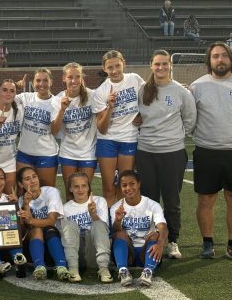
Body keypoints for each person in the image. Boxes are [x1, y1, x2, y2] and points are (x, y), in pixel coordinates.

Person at [136, 50, 196, 260]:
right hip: (146, 152)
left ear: (170, 66)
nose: (160, 68)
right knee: (150, 199)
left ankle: (172, 241)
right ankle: (152, 238)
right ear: (151, 66)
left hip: (172, 153)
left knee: (171, 200)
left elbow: (190, 120)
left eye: (164, 64)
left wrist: (173, 137)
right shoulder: (143, 89)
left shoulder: (181, 92)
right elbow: (136, 117)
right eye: (157, 64)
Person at [189, 42, 232, 259]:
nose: (220, 59)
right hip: (206, 151)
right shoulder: (197, 87)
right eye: (215, 56)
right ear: (209, 61)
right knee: (205, 200)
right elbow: (189, 120)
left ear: (231, 59)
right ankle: (207, 243)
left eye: (224, 56)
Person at [92, 50, 145, 206]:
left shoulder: (135, 79)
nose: (114, 71)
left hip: (129, 139)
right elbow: (102, 129)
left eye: (117, 66)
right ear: (104, 68)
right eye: (110, 67)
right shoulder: (100, 92)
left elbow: (149, 97)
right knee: (108, 189)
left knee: (125, 188)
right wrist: (110, 107)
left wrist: (142, 115)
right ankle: (110, 225)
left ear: (124, 64)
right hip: (107, 140)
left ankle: (123, 223)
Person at [110, 170, 168, 287]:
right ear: (120, 188)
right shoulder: (116, 207)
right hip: (128, 254)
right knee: (120, 234)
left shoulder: (152, 205)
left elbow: (163, 228)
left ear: (139, 184)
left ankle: (148, 271)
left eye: (132, 184)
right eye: (124, 185)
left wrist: (160, 244)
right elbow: (115, 232)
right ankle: (123, 271)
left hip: (145, 251)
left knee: (155, 235)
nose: (128, 188)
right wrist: (118, 220)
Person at [51, 63, 97, 201]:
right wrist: (62, 109)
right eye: (70, 77)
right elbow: (54, 130)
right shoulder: (57, 99)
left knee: (86, 193)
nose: (74, 80)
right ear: (64, 78)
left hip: (88, 152)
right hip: (68, 152)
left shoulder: (92, 95)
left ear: (82, 78)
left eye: (77, 77)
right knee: (70, 193)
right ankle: (70, 223)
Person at [16, 167, 70, 280]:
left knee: (49, 228)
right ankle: (40, 267)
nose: (32, 181)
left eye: (34, 177)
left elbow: (51, 220)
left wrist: (31, 220)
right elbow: (28, 227)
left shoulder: (51, 192)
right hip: (36, 248)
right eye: (27, 179)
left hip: (55, 243)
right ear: (21, 184)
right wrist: (26, 204)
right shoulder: (21, 200)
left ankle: (61, 266)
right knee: (36, 229)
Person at [60, 172, 112, 283]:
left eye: (84, 185)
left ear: (88, 187)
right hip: (76, 253)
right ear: (70, 189)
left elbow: (104, 230)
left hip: (94, 252)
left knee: (98, 224)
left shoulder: (99, 201)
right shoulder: (65, 208)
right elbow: (65, 237)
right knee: (69, 225)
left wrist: (93, 214)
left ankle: (103, 269)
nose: (80, 190)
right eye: (76, 186)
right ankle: (73, 269)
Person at [15, 69, 58, 187]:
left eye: (45, 80)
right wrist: (15, 86)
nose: (41, 84)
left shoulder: (56, 102)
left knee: (46, 190)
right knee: (22, 191)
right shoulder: (25, 97)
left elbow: (55, 131)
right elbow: (3, 99)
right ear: (33, 82)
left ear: (51, 82)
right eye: (38, 80)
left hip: (46, 154)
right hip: (24, 153)